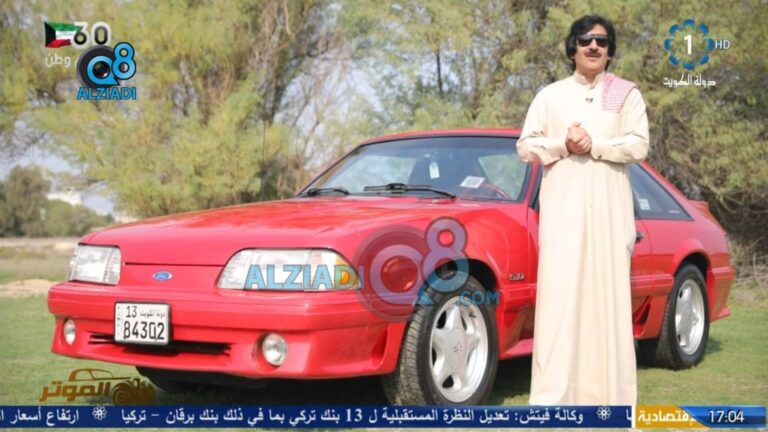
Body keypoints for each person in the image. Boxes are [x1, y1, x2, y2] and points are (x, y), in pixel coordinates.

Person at [517, 15, 649, 405]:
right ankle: (553, 402)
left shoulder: (624, 94)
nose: (593, 46)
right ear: (572, 47)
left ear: (610, 51)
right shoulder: (550, 95)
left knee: (608, 305)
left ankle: (612, 401)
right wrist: (563, 144)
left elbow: (638, 145)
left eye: (601, 42)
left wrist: (595, 145)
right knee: (560, 304)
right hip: (563, 218)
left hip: (610, 217)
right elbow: (526, 147)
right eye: (585, 40)